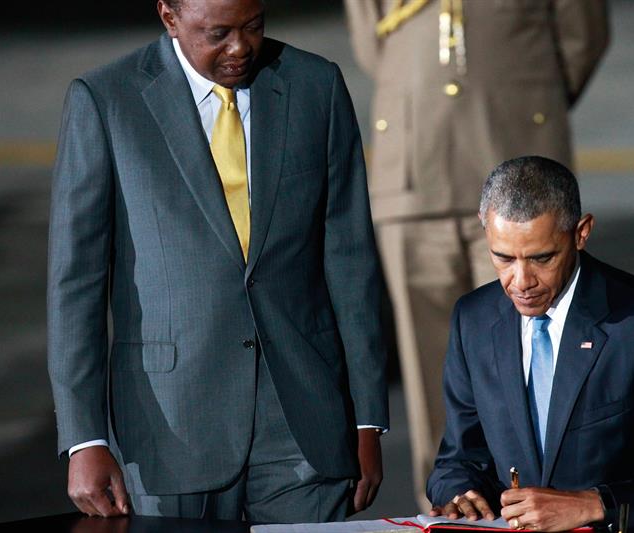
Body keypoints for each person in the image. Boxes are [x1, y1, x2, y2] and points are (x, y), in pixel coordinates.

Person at [47, 0, 388, 523]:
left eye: (253, 27)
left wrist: (367, 420)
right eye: (218, 33)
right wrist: (84, 438)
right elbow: (76, 283)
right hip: (170, 426)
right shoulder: (106, 99)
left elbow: (350, 261)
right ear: (169, 17)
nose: (240, 48)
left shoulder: (315, 85)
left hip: (304, 422)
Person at [344, 0, 609, 507]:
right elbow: (371, 40)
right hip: (415, 168)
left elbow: (581, 37)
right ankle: (447, 508)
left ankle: (547, 501)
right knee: (428, 368)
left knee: (540, 344)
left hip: (515, 150)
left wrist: (524, 99)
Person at [426, 156, 634, 530]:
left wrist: (594, 504)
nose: (521, 281)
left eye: (542, 258)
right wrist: (460, 494)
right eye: (502, 258)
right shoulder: (473, 319)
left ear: (581, 232)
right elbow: (456, 461)